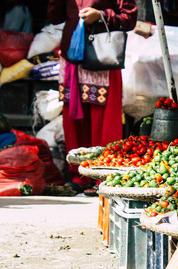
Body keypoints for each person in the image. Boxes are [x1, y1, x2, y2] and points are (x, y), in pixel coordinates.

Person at [47, 0, 138, 194]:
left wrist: (102, 15)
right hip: (73, 57)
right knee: (73, 120)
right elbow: (55, 17)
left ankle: (102, 175)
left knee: (102, 120)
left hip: (101, 56)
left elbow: (130, 18)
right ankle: (79, 174)